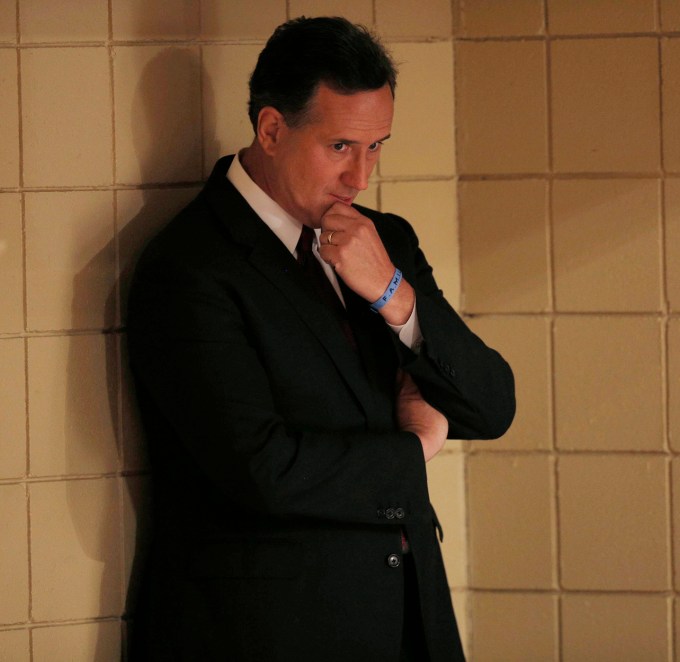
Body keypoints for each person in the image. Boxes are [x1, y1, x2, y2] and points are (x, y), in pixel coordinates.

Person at [126, 16, 515, 661]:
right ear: (272, 129)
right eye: (340, 147)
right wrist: (414, 448)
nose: (360, 177)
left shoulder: (382, 240)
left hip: (408, 621)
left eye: (376, 146)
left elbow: (491, 406)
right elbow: (263, 469)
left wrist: (394, 293)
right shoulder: (190, 267)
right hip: (265, 635)